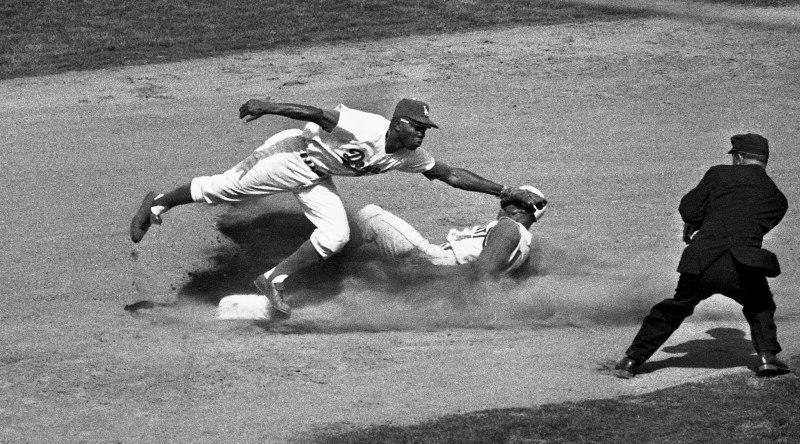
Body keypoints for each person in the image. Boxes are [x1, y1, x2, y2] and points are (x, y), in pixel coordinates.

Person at [129, 98, 546, 319]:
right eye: (417, 127)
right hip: (291, 156)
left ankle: (272, 280)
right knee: (225, 189)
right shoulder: (366, 126)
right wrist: (268, 105)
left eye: (425, 129)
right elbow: (316, 114)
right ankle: (158, 204)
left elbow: (451, 175)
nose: (422, 134)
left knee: (337, 233)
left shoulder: (408, 157)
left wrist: (503, 188)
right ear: (398, 123)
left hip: (316, 178)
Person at [614, 133, 790, 378]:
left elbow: (689, 207)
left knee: (675, 309)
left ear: (738, 157)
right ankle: (767, 357)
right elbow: (755, 222)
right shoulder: (777, 197)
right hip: (744, 265)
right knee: (760, 305)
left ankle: (631, 360)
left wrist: (696, 222)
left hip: (702, 259)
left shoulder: (719, 174)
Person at [354, 185, 546, 276]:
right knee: (368, 260)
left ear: (521, 208)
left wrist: (427, 271)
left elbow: (483, 270)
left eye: (507, 202)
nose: (502, 206)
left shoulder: (508, 227)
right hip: (442, 268)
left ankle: (327, 259)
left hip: (433, 261)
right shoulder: (525, 246)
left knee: (371, 216)